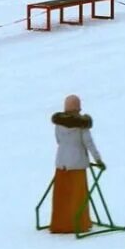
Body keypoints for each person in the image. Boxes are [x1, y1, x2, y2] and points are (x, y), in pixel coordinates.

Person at [47, 96, 103, 234]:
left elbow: (58, 140)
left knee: (63, 195)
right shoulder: (81, 126)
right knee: (77, 195)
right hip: (77, 163)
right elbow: (89, 143)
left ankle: (61, 223)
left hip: (62, 162)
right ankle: (79, 223)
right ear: (78, 108)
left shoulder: (59, 124)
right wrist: (98, 160)